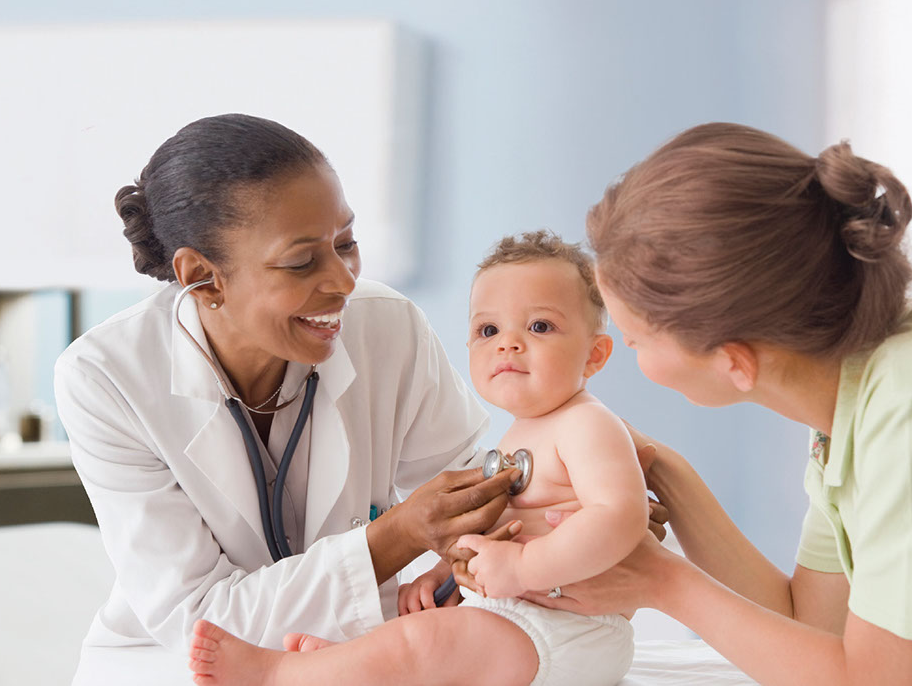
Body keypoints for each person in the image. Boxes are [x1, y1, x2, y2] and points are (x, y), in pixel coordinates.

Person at [53, 114, 520, 676]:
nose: (344, 281)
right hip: (180, 667)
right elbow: (202, 623)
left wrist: (568, 493)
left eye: (346, 243)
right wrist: (393, 538)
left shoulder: (387, 326)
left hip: (351, 657)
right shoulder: (106, 377)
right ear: (203, 275)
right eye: (302, 261)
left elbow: (473, 502)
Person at [515, 123, 912, 685]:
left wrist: (661, 581)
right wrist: (653, 468)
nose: (626, 353)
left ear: (733, 360)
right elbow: (811, 624)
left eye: (638, 340)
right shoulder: (849, 410)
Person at [187, 231, 649, 686]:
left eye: (540, 326)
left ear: (595, 354)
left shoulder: (588, 425)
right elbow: (500, 529)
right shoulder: (524, 432)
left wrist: (523, 570)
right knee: (417, 638)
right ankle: (354, 668)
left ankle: (281, 674)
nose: (508, 343)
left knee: (425, 645)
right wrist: (445, 573)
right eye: (488, 330)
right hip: (518, 618)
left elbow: (622, 517)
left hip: (572, 630)